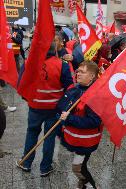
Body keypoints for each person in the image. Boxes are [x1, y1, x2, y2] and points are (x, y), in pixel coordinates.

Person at [16, 41, 73, 177]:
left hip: (35, 107)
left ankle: (26, 163)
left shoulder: (29, 63)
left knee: (32, 133)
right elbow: (70, 88)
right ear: (55, 50)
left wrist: (29, 100)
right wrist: (63, 105)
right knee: (49, 137)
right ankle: (45, 167)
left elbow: (21, 85)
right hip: (53, 108)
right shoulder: (62, 65)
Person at [57, 61, 102, 189]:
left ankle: (91, 186)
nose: (78, 73)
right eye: (77, 71)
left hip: (86, 142)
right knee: (81, 166)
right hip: (74, 138)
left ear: (92, 76)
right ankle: (83, 183)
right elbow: (61, 106)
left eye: (82, 72)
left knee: (78, 168)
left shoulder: (95, 95)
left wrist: (69, 118)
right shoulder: (74, 88)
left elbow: (94, 121)